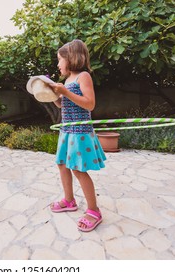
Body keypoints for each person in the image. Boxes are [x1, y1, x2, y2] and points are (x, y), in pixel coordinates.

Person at [48, 39, 107, 232]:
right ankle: (69, 200)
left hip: (80, 132)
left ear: (71, 58)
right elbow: (64, 104)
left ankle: (93, 211)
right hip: (67, 130)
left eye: (59, 60)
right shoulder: (67, 81)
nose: (58, 64)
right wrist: (55, 97)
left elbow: (89, 104)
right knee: (62, 164)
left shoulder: (83, 77)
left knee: (78, 170)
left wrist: (65, 91)